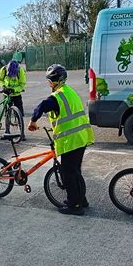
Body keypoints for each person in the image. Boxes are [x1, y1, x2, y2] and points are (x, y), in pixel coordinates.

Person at [28, 64, 94, 216]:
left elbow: (42, 106)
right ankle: (81, 199)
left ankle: (74, 206)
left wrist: (33, 121)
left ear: (52, 81)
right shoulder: (70, 91)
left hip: (70, 140)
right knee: (75, 171)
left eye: (49, 81)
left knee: (68, 174)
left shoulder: (56, 97)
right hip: (81, 137)